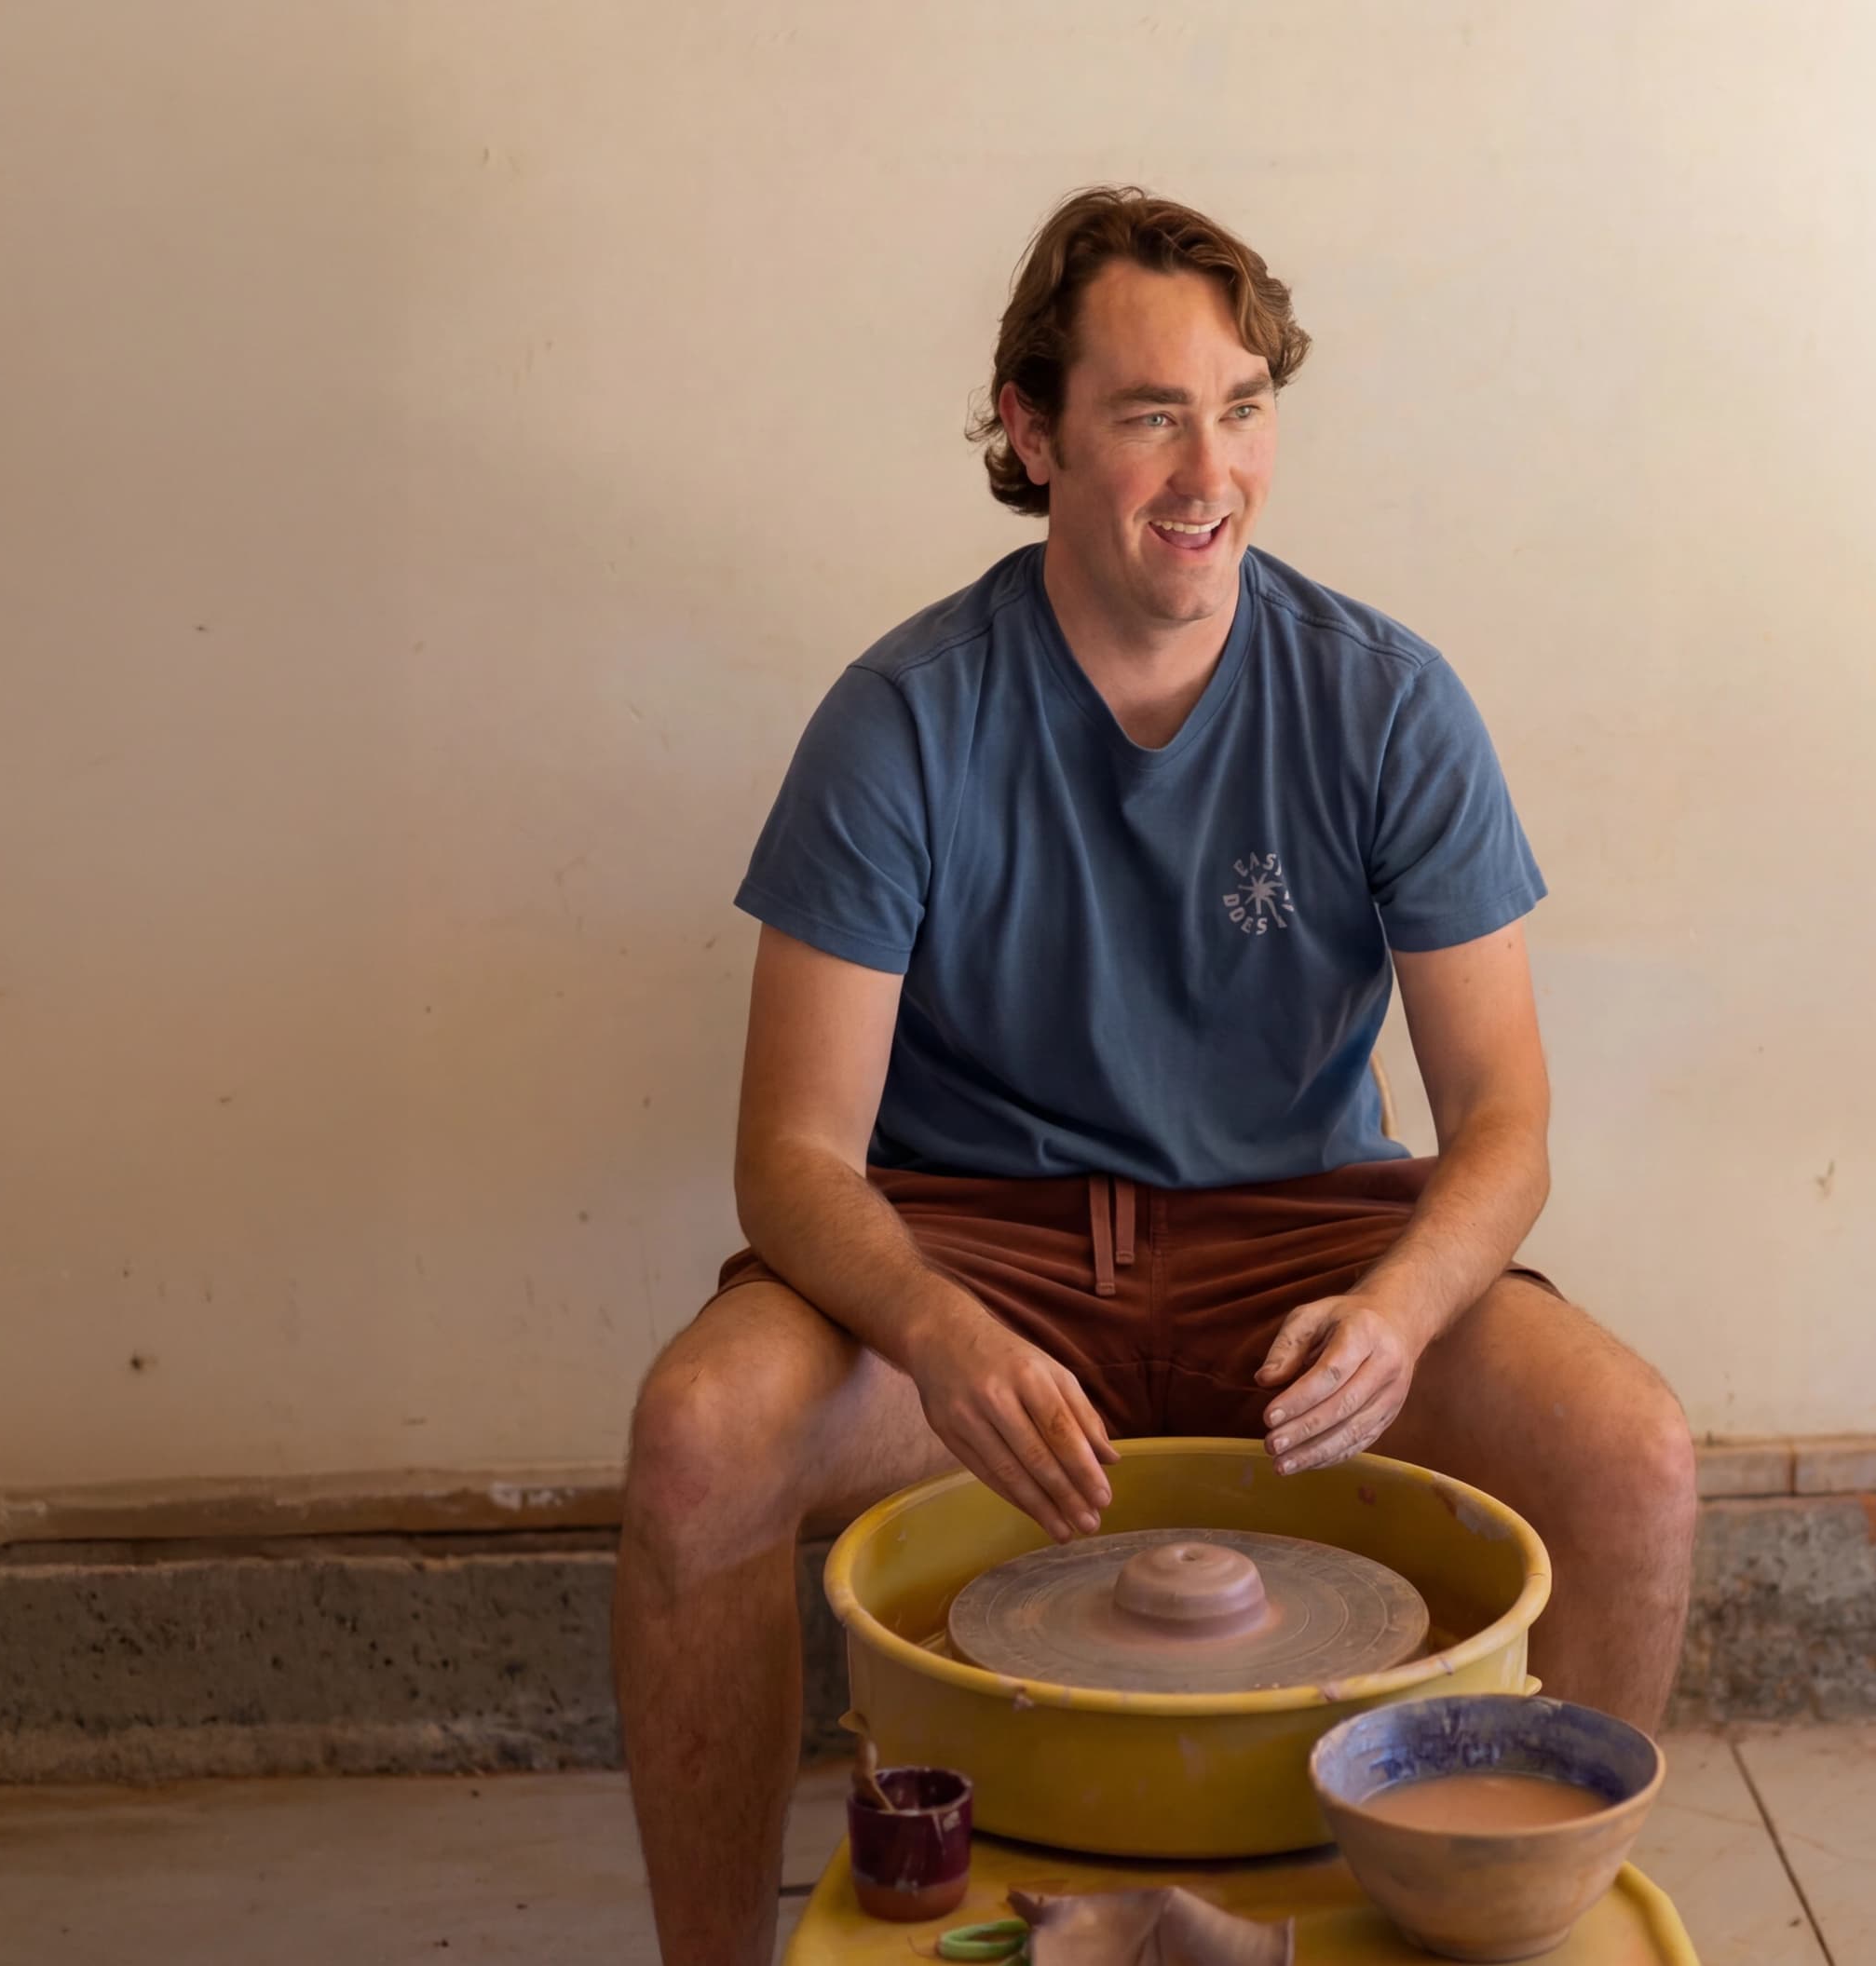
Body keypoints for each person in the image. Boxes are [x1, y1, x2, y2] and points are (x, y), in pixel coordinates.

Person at [607, 186, 1698, 1966]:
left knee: (1636, 1454)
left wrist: (1406, 1313)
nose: (1211, 469)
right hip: (976, 1256)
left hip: (1309, 1257)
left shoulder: (1385, 705)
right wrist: (944, 1332)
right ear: (1032, 436)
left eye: (1245, 405)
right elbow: (794, 1157)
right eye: (1146, 414)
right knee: (696, 1437)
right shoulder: (904, 720)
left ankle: (1501, 1932)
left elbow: (1501, 1121)